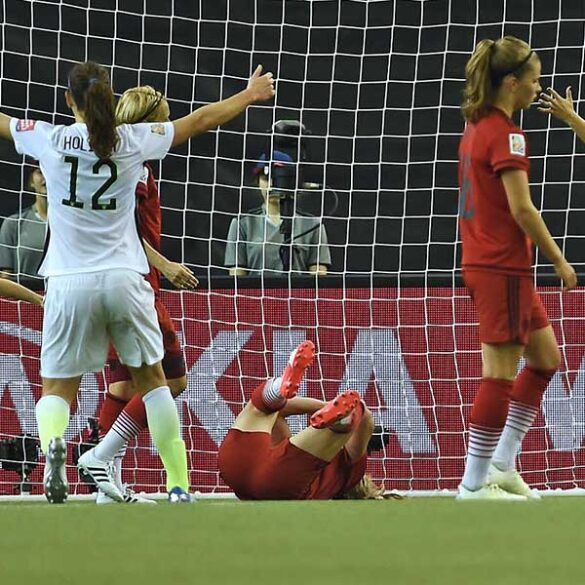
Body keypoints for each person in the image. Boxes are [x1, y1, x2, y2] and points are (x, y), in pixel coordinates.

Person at [0, 60, 275, 504]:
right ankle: (179, 484)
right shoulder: (133, 141)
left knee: (57, 388)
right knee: (154, 383)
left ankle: (55, 442)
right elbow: (201, 119)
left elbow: (3, 122)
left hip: (68, 280)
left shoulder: (48, 138)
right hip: (126, 278)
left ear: (69, 101)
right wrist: (247, 95)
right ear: (110, 99)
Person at [456, 36, 577, 501]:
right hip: (502, 264)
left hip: (496, 264)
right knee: (499, 374)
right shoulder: (507, 133)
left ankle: (503, 465)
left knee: (546, 359)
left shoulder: (477, 127)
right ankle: (472, 483)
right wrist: (560, 260)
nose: (537, 89)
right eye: (534, 81)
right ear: (512, 82)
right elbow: (522, 209)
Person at [88, 85, 198, 504]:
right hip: (137, 287)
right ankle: (103, 456)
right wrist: (165, 265)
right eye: (162, 120)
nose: (166, 129)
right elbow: (125, 231)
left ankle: (105, 486)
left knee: (121, 389)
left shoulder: (121, 162)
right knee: (171, 382)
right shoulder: (134, 169)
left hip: (111, 286)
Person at [218, 340, 385, 500]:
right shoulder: (336, 478)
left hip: (235, 464)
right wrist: (329, 409)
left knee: (260, 409)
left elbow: (365, 417)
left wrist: (324, 406)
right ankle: (339, 420)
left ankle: (277, 389)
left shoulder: (350, 472)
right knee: (274, 411)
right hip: (269, 480)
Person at [224, 150, 331, 276]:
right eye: (265, 178)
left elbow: (318, 278)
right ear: (258, 183)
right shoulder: (242, 225)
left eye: (278, 178)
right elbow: (237, 279)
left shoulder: (313, 225)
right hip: (256, 295)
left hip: (299, 295)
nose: (272, 185)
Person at [0, 165, 47, 282]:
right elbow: (5, 278)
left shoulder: (73, 225)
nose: (46, 177)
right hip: (26, 299)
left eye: (50, 170)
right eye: (40, 172)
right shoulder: (13, 224)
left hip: (63, 296)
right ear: (31, 180)